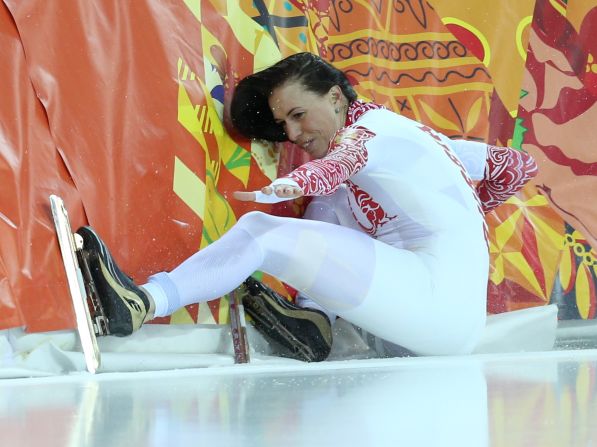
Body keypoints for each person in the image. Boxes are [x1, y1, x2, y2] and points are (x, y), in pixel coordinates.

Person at [77, 52, 537, 362]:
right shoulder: (423, 143)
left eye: (298, 116)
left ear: (336, 97)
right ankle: (315, 318)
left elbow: (344, 161)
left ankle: (142, 302)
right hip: (431, 302)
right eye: (283, 124)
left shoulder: (374, 131)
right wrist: (465, 217)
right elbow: (513, 165)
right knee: (331, 202)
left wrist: (287, 184)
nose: (292, 135)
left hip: (439, 302)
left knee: (263, 230)